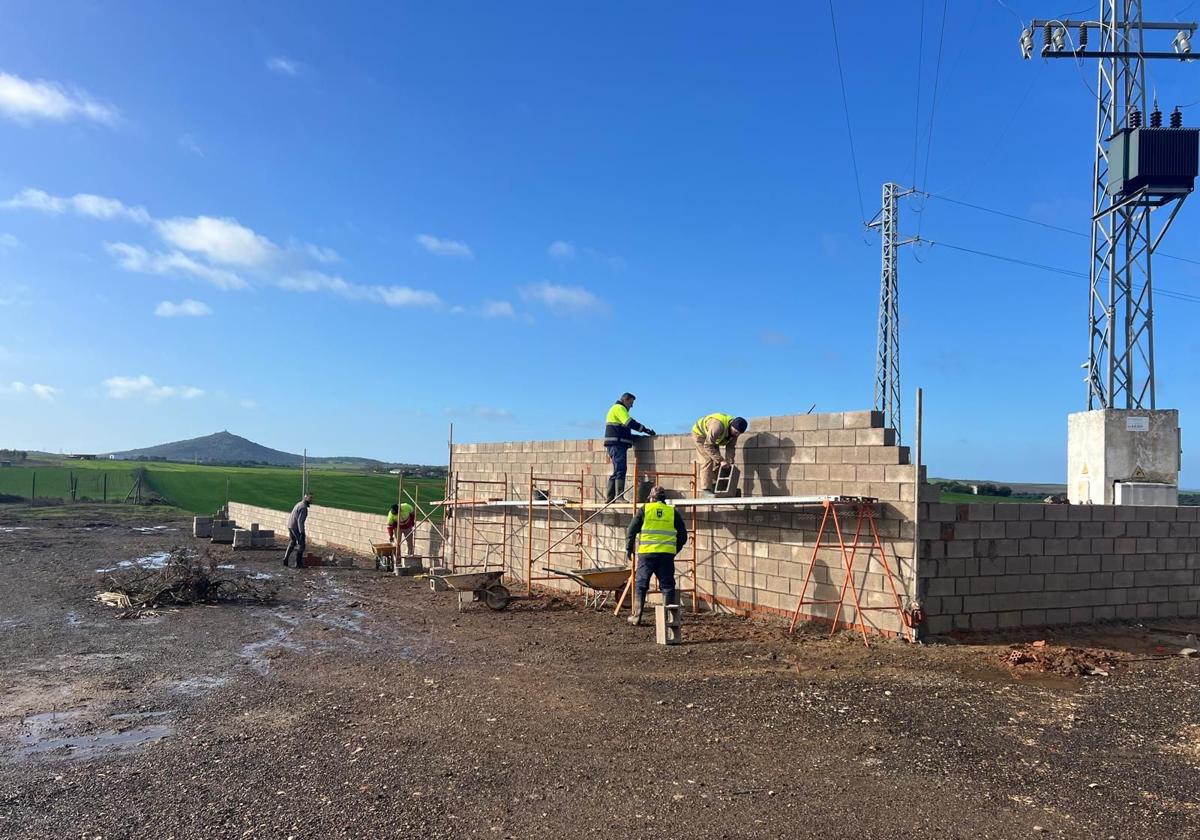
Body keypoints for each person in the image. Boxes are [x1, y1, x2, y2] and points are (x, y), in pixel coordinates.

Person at [624, 485, 689, 626]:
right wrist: (673, 550)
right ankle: (667, 619)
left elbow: (631, 530)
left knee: (641, 584)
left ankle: (637, 617)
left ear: (652, 498)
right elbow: (683, 535)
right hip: (666, 556)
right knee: (667, 586)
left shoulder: (645, 509)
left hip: (647, 555)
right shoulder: (672, 512)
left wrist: (629, 548)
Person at [603, 392, 655, 503]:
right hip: (616, 444)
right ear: (625, 400)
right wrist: (645, 429)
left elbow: (622, 430)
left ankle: (610, 498)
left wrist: (636, 437)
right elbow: (629, 422)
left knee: (618, 470)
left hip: (616, 443)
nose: (631, 406)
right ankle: (618, 497)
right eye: (631, 403)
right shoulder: (619, 408)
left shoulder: (617, 409)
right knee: (620, 469)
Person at [692, 413, 748, 495]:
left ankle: (715, 486)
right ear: (731, 426)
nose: (737, 435)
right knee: (707, 460)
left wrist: (729, 463)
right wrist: (721, 460)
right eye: (736, 432)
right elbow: (708, 445)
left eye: (739, 434)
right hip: (700, 435)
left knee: (717, 463)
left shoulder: (734, 432)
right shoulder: (718, 426)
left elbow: (730, 448)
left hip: (712, 439)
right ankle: (706, 490)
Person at [282, 492, 313, 569]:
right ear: (306, 498)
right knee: (301, 544)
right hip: (296, 527)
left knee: (292, 541)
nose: (311, 500)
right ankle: (298, 564)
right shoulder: (303, 508)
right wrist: (302, 532)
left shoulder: (299, 504)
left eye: (312, 498)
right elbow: (300, 521)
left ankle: (285, 559)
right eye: (310, 498)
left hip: (290, 525)